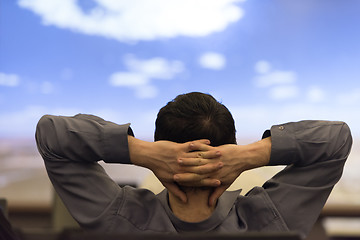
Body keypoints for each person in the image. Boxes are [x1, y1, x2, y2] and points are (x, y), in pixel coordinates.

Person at [35, 92, 352, 238]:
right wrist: (248, 156)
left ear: (161, 146)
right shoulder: (268, 219)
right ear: (230, 147)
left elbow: (51, 135)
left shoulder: (119, 219)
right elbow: (336, 140)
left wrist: (141, 152)